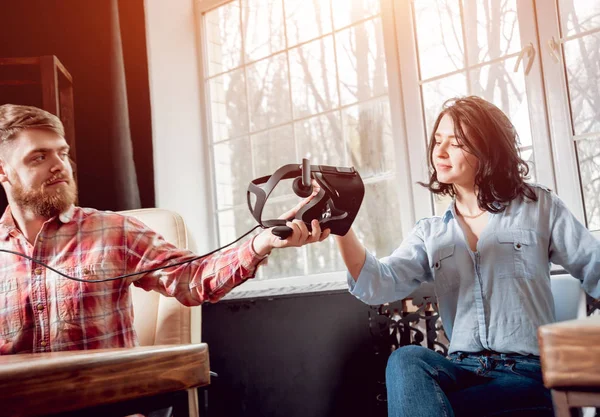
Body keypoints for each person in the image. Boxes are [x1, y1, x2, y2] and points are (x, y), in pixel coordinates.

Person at [334, 96, 600, 416]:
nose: (440, 151)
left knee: (435, 409)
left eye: (456, 142)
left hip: (525, 374)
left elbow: (594, 266)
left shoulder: (538, 206)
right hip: (460, 369)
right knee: (405, 359)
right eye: (438, 140)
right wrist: (341, 225)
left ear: (486, 150)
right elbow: (378, 283)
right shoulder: (431, 232)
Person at [0, 103, 330, 355]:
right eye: (38, 157)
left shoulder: (114, 232)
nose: (59, 165)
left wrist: (260, 243)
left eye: (62, 153)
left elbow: (193, 279)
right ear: (4, 172)